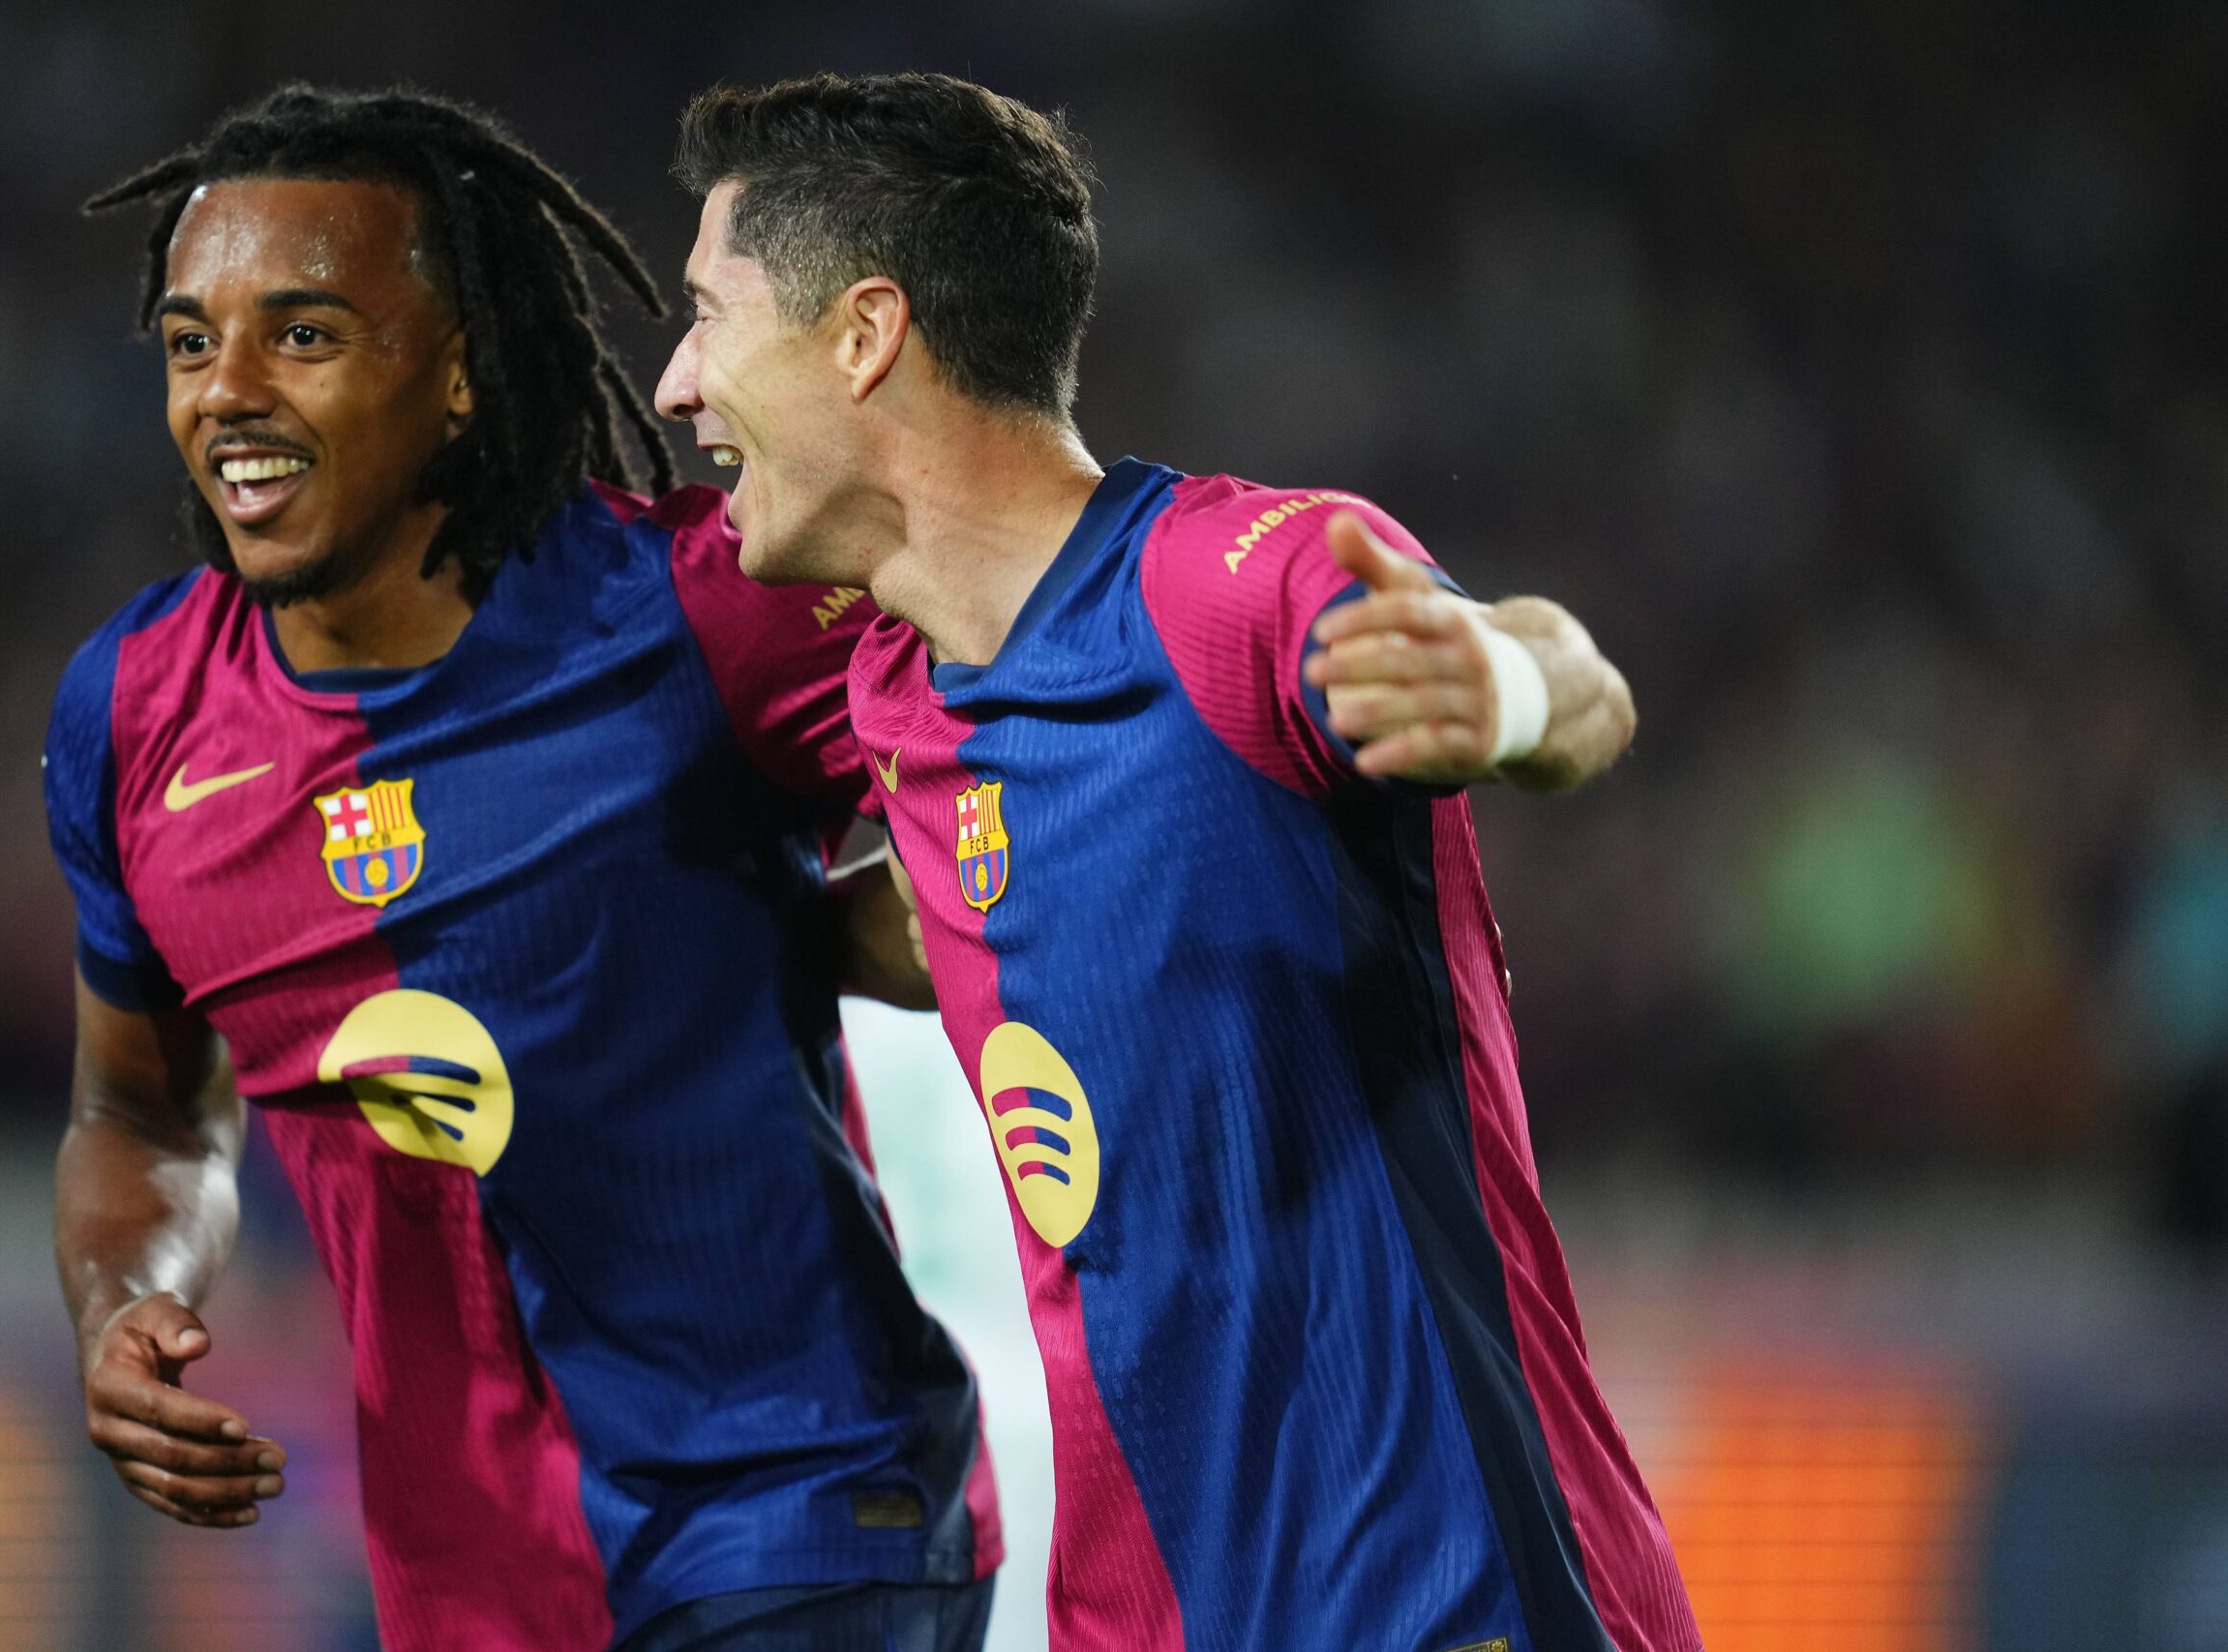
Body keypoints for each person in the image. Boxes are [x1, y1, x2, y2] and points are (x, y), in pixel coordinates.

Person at [655, 73, 1703, 1652]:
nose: (674, 383)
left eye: (707, 317)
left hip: (1448, 1603)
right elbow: (963, 928)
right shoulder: (904, 690)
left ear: (864, 333)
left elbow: (1564, 677)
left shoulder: (1225, 588)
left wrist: (1498, 685)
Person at [44, 84, 998, 1652]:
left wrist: (826, 934)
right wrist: (121, 1301)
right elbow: (138, 1109)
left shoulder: (703, 609)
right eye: (188, 342)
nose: (226, 393)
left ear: (464, 368)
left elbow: (1021, 766)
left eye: (302, 335)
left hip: (802, 1513)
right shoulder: (134, 715)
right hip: (468, 1584)